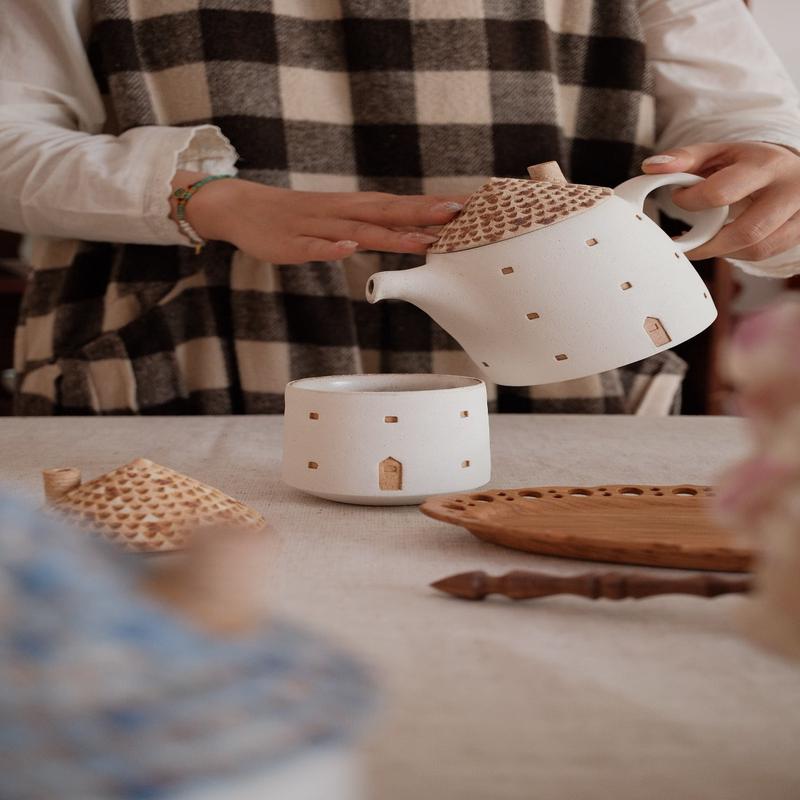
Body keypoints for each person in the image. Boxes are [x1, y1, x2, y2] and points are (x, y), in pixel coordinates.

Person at [2, 0, 800, 416]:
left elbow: (742, 117)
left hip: (566, 378)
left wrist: (767, 172)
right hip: (173, 362)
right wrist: (204, 200)